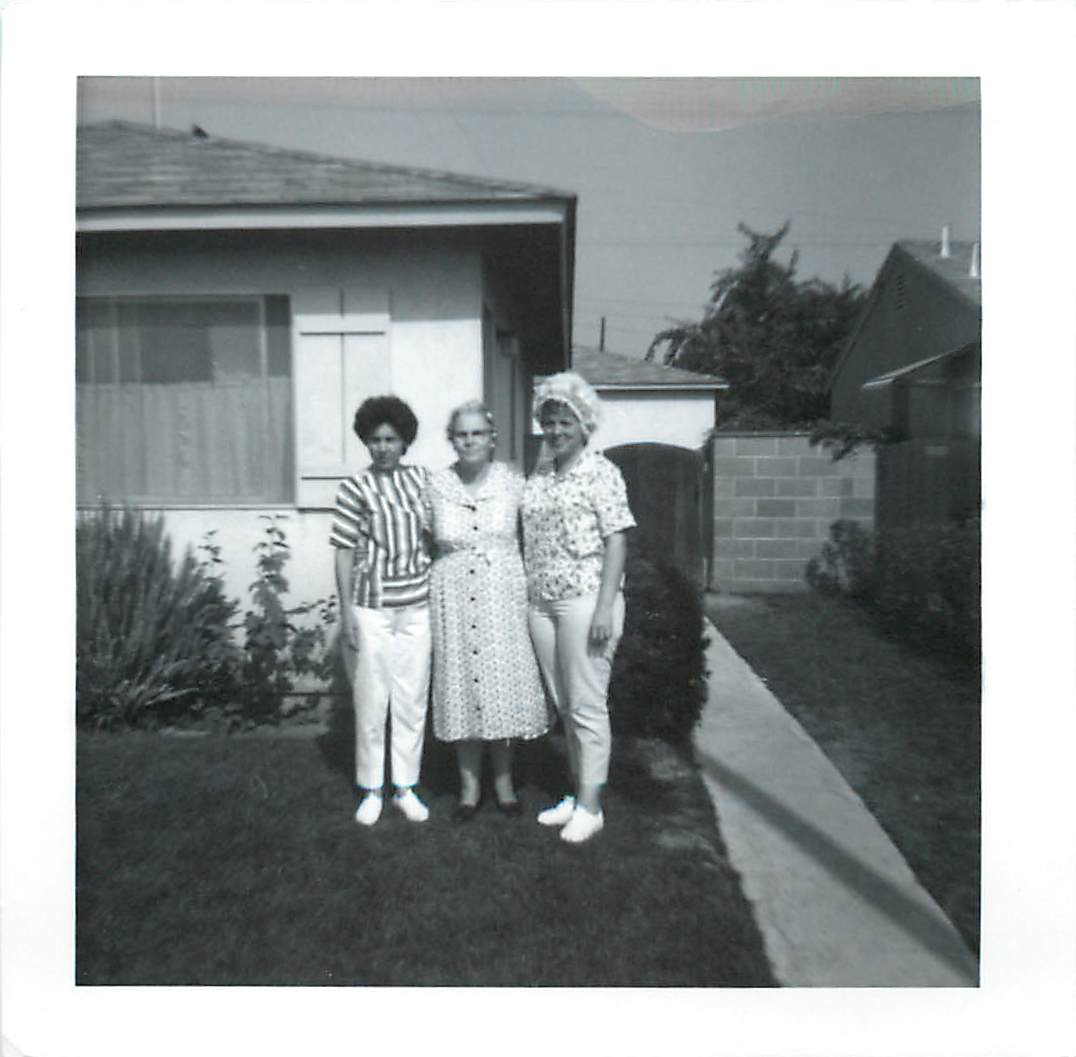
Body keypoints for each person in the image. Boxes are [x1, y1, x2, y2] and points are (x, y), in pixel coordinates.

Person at [424, 400, 552, 821]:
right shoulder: (436, 485)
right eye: (462, 434)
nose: (470, 441)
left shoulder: (514, 483)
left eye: (477, 433)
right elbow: (426, 539)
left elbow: (533, 537)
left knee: (499, 684)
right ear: (452, 440)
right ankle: (468, 789)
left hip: (502, 595)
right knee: (462, 684)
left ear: (492, 438)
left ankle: (504, 785)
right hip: (454, 596)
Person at [522, 371, 636, 844]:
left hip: (585, 601)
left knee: (587, 704)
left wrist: (606, 607)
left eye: (565, 422)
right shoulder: (541, 474)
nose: (555, 431)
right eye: (549, 422)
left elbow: (617, 541)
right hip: (542, 603)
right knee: (565, 704)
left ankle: (591, 807)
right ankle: (576, 791)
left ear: (584, 424)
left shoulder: (601, 472)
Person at [330, 395, 432, 827]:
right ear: (365, 442)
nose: (383, 448)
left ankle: (405, 787)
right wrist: (347, 613)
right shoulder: (355, 487)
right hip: (372, 608)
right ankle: (371, 788)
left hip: (417, 606)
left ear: (404, 441)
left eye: (390, 439)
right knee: (372, 699)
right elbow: (343, 550)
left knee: (411, 699)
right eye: (375, 440)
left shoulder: (423, 481)